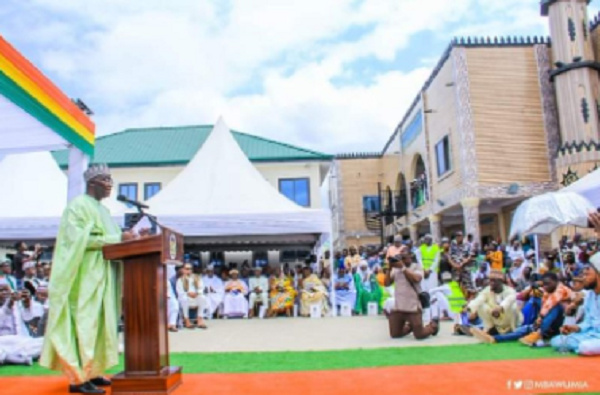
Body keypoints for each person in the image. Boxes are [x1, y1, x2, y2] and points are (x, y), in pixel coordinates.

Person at [40, 164, 139, 395]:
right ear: (92, 182)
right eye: (106, 180)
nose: (110, 185)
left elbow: (111, 237)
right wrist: (118, 237)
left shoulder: (103, 211)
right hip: (83, 277)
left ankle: (92, 372)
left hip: (103, 276)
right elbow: (79, 241)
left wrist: (128, 237)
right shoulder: (77, 207)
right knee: (84, 324)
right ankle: (77, 379)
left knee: (100, 326)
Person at [550, 251, 600, 355]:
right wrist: (576, 328)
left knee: (585, 347)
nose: (583, 278)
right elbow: (588, 321)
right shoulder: (590, 295)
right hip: (590, 335)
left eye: (587, 275)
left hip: (595, 337)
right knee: (556, 341)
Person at [385, 247, 439, 339]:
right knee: (395, 334)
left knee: (419, 335)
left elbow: (416, 279)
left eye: (404, 256)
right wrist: (389, 269)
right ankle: (410, 327)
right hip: (398, 306)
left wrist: (403, 267)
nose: (402, 258)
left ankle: (433, 326)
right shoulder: (396, 268)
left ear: (410, 256)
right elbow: (387, 283)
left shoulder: (417, 267)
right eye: (400, 256)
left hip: (413, 307)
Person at [466, 270, 522, 339]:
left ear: (501, 282)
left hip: (509, 321)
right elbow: (479, 299)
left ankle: (515, 331)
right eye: (490, 281)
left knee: (513, 306)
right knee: (480, 305)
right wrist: (469, 307)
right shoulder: (487, 290)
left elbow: (508, 301)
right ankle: (490, 328)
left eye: (493, 281)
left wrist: (500, 308)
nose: (491, 283)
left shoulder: (510, 291)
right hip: (496, 319)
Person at [0, 280, 44, 366]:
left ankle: (12, 358)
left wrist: (27, 304)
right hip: (2, 343)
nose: (4, 293)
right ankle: (18, 359)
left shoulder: (17, 305)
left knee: (46, 342)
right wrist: (9, 305)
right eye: (1, 290)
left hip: (21, 343)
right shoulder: (9, 305)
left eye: (7, 290)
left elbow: (29, 318)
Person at [176, 263, 208, 329]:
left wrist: (197, 293)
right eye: (187, 269)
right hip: (186, 298)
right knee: (184, 299)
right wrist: (188, 293)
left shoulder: (197, 278)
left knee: (203, 297)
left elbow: (201, 288)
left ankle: (199, 319)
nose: (189, 270)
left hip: (195, 297)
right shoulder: (180, 280)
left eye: (190, 269)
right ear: (183, 270)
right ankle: (186, 320)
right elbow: (180, 292)